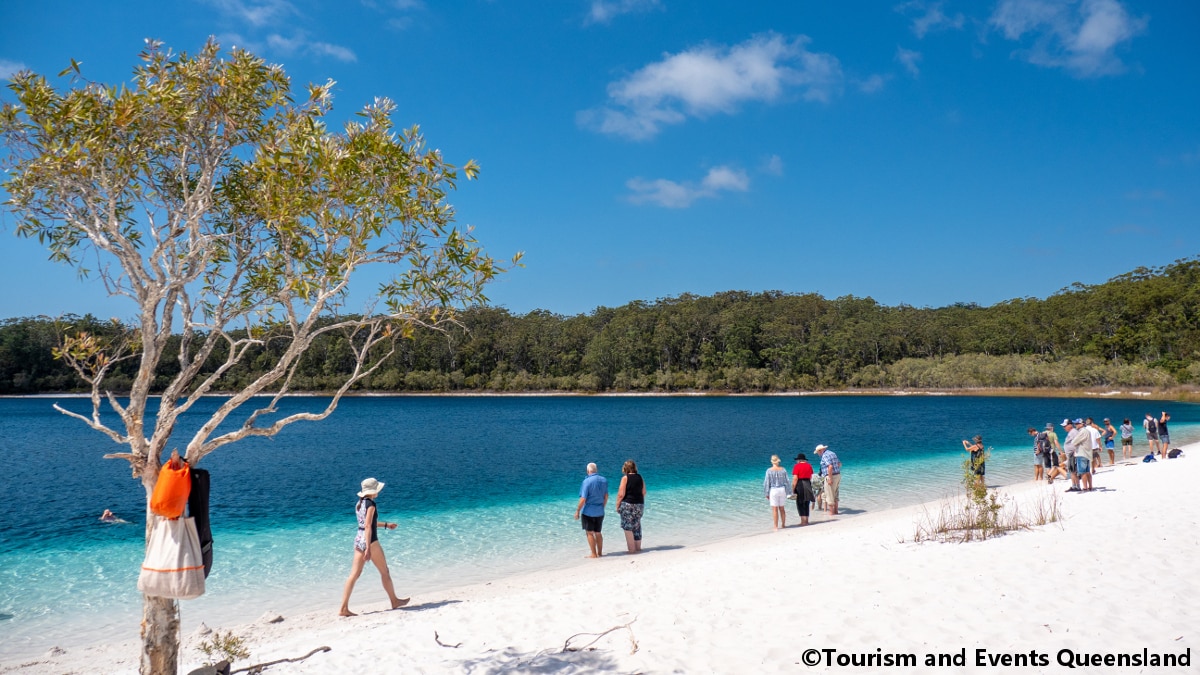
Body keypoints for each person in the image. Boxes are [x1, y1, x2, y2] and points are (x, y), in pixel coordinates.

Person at [339, 477, 408, 616]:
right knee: (385, 572)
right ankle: (394, 601)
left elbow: (365, 524)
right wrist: (369, 549)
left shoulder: (359, 504)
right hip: (370, 540)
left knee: (354, 575)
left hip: (359, 538)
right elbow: (369, 526)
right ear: (373, 491)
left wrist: (386, 525)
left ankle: (343, 608)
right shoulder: (371, 504)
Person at [574, 462, 608, 558]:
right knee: (598, 532)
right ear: (596, 470)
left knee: (589, 533)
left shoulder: (587, 482)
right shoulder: (604, 480)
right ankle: (600, 553)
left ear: (588, 471)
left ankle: (593, 554)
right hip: (600, 510)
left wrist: (577, 510)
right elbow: (606, 496)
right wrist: (602, 506)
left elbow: (583, 499)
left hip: (589, 511)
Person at [615, 460, 646, 554]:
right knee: (637, 526)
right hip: (639, 504)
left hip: (628, 504)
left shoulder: (625, 478)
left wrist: (617, 505)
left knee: (628, 527)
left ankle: (632, 550)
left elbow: (621, 494)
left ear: (625, 468)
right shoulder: (640, 477)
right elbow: (644, 492)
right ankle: (638, 548)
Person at [764, 455, 793, 530]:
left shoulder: (769, 470)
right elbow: (787, 481)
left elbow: (767, 483)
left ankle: (775, 526)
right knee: (782, 508)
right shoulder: (783, 470)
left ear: (772, 461)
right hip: (782, 489)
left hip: (774, 490)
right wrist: (789, 491)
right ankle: (783, 524)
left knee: (774, 509)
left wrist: (766, 493)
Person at [790, 453, 816, 526]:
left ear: (799, 460)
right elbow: (811, 476)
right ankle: (807, 520)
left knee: (800, 503)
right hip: (808, 483)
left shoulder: (796, 466)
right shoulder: (809, 465)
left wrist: (793, 488)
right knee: (806, 502)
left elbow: (795, 478)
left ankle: (802, 521)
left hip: (800, 484)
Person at [817, 444, 841, 516]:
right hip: (838, 474)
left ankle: (831, 513)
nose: (818, 454)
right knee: (835, 493)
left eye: (818, 452)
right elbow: (839, 464)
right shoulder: (832, 453)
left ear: (820, 450)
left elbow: (830, 466)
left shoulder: (824, 456)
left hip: (830, 476)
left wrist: (830, 478)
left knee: (829, 494)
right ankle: (836, 511)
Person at [1068, 422, 1093, 492]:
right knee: (1088, 471)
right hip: (1087, 453)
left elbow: (1074, 441)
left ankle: (1085, 488)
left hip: (1082, 454)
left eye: (1077, 424)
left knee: (1082, 472)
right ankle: (1090, 487)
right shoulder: (1087, 431)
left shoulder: (1082, 431)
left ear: (1081, 424)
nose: (1075, 425)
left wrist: (1076, 443)